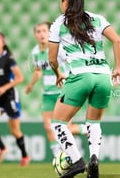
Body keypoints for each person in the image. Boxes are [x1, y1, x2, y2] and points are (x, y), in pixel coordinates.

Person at [49, 0, 120, 178]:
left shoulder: (59, 23)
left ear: (66, 1)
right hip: (103, 75)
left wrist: (57, 73)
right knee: (94, 121)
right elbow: (117, 41)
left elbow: (52, 59)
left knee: (57, 123)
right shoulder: (97, 19)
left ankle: (76, 160)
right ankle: (94, 158)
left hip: (81, 75)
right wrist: (118, 68)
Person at [25, 22, 87, 157]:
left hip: (62, 91)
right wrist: (30, 85)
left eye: (44, 31)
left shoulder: (57, 48)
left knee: (65, 127)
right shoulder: (35, 52)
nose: (41, 34)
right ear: (35, 35)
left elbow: (73, 62)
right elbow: (38, 71)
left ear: (49, 33)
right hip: (48, 94)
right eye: (38, 31)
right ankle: (58, 157)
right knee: (48, 127)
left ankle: (85, 128)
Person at [0, 31, 30, 166]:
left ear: (3, 43)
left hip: (9, 96)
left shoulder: (9, 59)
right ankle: (3, 148)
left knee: (15, 130)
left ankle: (25, 155)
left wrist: (4, 88)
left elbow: (20, 78)